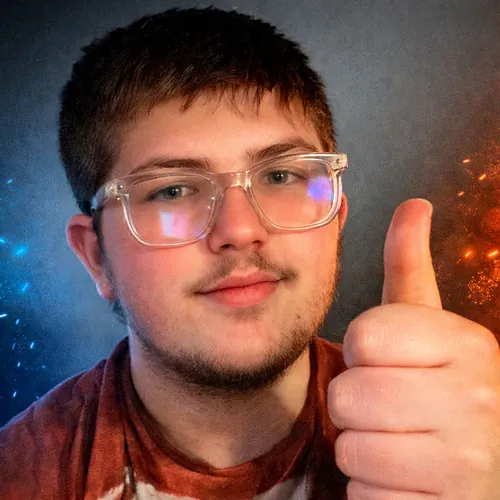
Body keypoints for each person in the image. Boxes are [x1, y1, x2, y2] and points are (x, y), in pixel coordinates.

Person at [1, 6, 499, 500]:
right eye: (172, 190)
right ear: (96, 257)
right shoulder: (21, 476)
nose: (241, 229)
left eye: (281, 175)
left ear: (335, 220)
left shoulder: (469, 443)